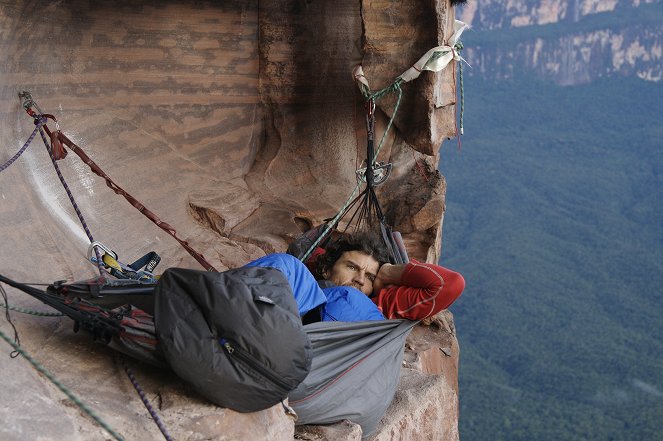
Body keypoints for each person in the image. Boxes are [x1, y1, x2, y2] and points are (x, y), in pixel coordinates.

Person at [245, 232, 464, 322]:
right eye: (352, 267)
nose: (360, 279)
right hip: (262, 318)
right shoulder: (300, 279)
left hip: (308, 356)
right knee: (285, 264)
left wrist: (387, 271)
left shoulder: (379, 306)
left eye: (369, 276)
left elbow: (450, 284)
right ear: (326, 269)